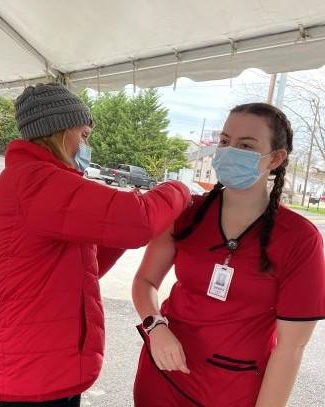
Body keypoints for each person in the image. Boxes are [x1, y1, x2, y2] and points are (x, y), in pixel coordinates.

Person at [0, 83, 191, 406]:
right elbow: (139, 220)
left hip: (43, 369)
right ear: (61, 131)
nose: (84, 145)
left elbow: (81, 267)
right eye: (83, 135)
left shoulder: (35, 181)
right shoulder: (38, 181)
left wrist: (113, 234)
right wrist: (179, 189)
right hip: (34, 375)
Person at [132, 103, 325, 407]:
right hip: (163, 374)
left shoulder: (299, 239)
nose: (229, 151)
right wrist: (156, 326)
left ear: (275, 158)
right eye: (224, 142)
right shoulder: (187, 212)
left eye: (245, 145)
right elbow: (145, 281)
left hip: (233, 388)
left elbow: (291, 349)